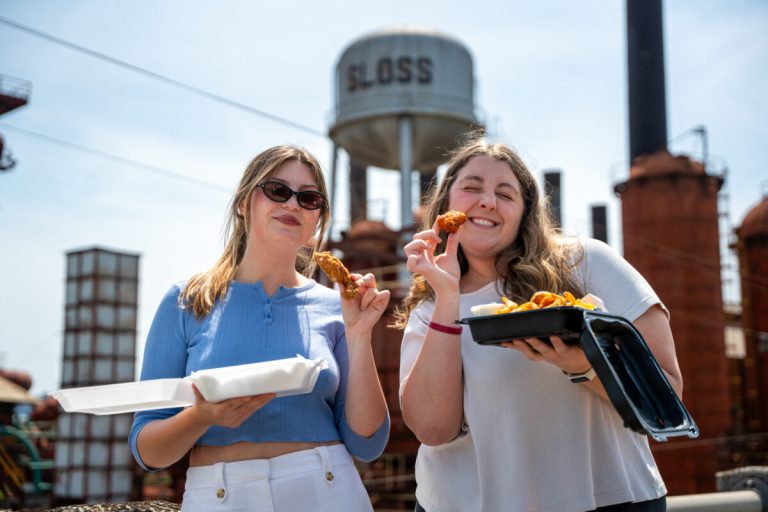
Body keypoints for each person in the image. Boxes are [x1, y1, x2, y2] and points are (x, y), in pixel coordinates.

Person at [395, 136, 682, 512]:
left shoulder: (586, 264)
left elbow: (668, 396)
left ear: (524, 213)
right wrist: (448, 296)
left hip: (610, 501)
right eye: (471, 187)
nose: (487, 201)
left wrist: (582, 366)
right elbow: (433, 430)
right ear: (447, 204)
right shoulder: (429, 308)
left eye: (505, 193)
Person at [129, 145, 390, 511]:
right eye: (277, 190)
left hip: (327, 489)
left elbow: (367, 443)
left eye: (309, 198)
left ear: (318, 220)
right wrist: (202, 416)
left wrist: (360, 335)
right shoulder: (186, 301)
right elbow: (148, 449)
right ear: (242, 203)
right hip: (218, 496)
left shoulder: (337, 307)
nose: (293, 204)